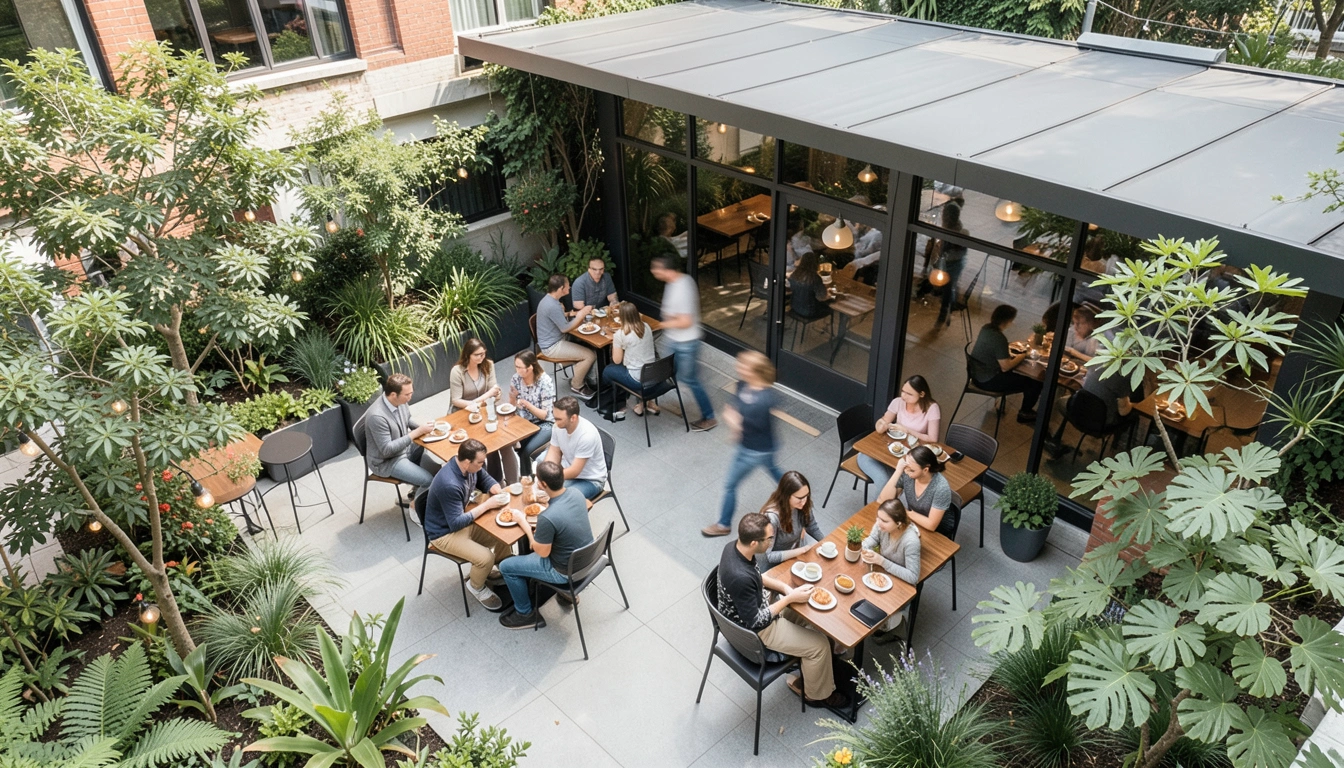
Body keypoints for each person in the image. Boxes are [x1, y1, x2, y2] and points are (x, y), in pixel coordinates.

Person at [716, 513, 848, 708]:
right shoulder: (740, 577)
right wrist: (788, 599)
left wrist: (785, 589)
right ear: (754, 542)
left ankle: (815, 666)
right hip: (754, 633)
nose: (772, 541)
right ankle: (815, 695)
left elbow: (757, 577)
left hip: (756, 611)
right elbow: (757, 622)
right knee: (819, 645)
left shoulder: (734, 548)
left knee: (804, 604)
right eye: (769, 538)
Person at [498, 460, 595, 630]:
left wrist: (524, 524)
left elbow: (542, 552)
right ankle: (564, 594)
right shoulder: (576, 493)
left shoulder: (547, 518)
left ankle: (525, 613)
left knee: (506, 566)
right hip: (588, 559)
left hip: (564, 572)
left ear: (543, 484)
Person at [423, 439, 512, 611]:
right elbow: (456, 523)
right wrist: (488, 505)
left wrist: (496, 490)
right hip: (444, 533)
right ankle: (476, 586)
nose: (482, 465)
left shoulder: (470, 468)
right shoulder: (449, 484)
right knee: (485, 558)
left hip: (461, 521)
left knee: (502, 531)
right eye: (480, 462)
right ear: (466, 461)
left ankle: (504, 565)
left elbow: (483, 478)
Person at [703, 351, 782, 537]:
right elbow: (735, 407)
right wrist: (735, 424)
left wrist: (734, 422)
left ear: (754, 371)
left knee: (730, 484)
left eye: (743, 366)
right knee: (772, 467)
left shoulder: (764, 399)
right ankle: (794, 489)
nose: (738, 368)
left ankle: (723, 525)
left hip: (755, 450)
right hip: (759, 445)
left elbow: (745, 421)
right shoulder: (742, 384)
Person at [651, 254, 716, 431]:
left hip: (686, 342)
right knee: (669, 373)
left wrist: (662, 324)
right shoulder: (676, 283)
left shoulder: (682, 288)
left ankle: (709, 417)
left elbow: (686, 321)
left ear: (667, 270)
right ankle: (651, 402)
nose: (653, 272)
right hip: (675, 339)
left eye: (656, 268)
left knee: (691, 379)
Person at [359, 373, 437, 500]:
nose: (410, 397)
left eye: (411, 392)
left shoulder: (399, 401)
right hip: (387, 461)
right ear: (393, 395)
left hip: (402, 450)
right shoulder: (377, 417)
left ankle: (417, 488)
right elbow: (386, 449)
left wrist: (420, 427)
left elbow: (407, 418)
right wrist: (416, 433)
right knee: (429, 481)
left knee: (428, 446)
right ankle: (416, 508)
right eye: (407, 395)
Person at [450, 339, 517, 483]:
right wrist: (483, 398)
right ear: (468, 355)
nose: (481, 357)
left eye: (483, 354)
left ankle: (510, 483)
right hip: (463, 414)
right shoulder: (457, 372)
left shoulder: (488, 365)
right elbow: (456, 400)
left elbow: (494, 388)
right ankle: (490, 483)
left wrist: (495, 394)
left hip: (485, 412)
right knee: (480, 449)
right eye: (477, 355)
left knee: (502, 443)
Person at [857, 375, 941, 487]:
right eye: (903, 391)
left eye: (909, 394)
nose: (904, 396)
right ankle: (882, 502)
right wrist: (880, 425)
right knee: (886, 481)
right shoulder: (898, 402)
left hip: (908, 458)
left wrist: (907, 430)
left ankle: (884, 501)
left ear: (921, 394)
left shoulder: (932, 408)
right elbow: (884, 420)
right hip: (887, 452)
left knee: (892, 483)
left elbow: (933, 439)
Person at [861, 499, 921, 644]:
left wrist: (881, 561)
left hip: (901, 582)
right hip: (884, 574)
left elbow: (913, 577)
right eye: (878, 518)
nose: (879, 523)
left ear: (899, 523)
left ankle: (897, 626)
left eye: (884, 521)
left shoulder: (910, 541)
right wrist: (863, 548)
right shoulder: (881, 526)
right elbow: (872, 539)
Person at [970, 304, 1042, 423]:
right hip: (987, 380)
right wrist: (1024, 355)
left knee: (1023, 377)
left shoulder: (986, 328)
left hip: (976, 374)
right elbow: (1005, 367)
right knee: (1034, 382)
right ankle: (1025, 413)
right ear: (1008, 321)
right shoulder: (999, 338)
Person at [536, 274, 598, 401]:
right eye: (568, 286)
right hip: (552, 346)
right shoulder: (552, 305)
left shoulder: (548, 300)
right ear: (561, 288)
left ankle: (585, 376)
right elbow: (564, 328)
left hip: (554, 340)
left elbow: (556, 316)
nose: (569, 288)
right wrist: (580, 315)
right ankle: (577, 385)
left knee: (586, 344)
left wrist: (570, 313)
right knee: (590, 355)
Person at [601, 301, 660, 417]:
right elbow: (633, 340)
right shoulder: (646, 326)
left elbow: (617, 360)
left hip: (637, 380)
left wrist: (615, 341)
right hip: (653, 375)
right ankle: (645, 402)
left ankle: (612, 396)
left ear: (621, 317)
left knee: (608, 371)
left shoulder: (620, 334)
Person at [876, 445, 952, 534]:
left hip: (937, 530)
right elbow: (883, 500)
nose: (907, 472)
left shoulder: (941, 488)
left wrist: (904, 512)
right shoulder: (907, 473)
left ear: (925, 470)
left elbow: (931, 525)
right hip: (913, 521)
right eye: (906, 467)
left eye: (912, 470)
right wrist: (898, 471)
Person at [544, 396, 608, 500]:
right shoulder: (558, 426)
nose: (555, 422)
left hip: (590, 480)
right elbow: (554, 451)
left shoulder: (587, 436)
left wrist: (550, 479)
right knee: (545, 488)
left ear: (573, 418)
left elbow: (575, 471)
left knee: (561, 499)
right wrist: (546, 472)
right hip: (568, 467)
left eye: (558, 419)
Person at [758, 471, 824, 565]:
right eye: (800, 498)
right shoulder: (771, 518)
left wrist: (825, 544)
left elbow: (812, 527)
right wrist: (802, 550)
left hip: (794, 552)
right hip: (775, 563)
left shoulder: (803, 505)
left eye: (806, 496)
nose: (804, 501)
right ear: (786, 496)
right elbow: (769, 556)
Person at [509, 350, 555, 477]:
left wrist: (527, 404)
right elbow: (512, 406)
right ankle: (526, 477)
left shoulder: (544, 382)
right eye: (516, 366)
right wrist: (513, 398)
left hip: (545, 424)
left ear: (529, 368)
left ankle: (527, 480)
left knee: (526, 451)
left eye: (519, 367)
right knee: (513, 446)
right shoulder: (516, 379)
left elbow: (544, 415)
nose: (516, 370)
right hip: (524, 422)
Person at [932, 202, 968, 328]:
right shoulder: (946, 227)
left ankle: (944, 313)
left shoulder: (960, 231)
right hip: (946, 261)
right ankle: (950, 307)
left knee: (948, 287)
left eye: (945, 214)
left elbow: (961, 251)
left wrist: (947, 248)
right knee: (949, 286)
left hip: (954, 263)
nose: (943, 216)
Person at [787, 252, 831, 322]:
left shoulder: (795, 275)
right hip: (809, 312)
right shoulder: (815, 278)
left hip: (794, 307)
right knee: (830, 307)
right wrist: (828, 293)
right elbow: (822, 297)